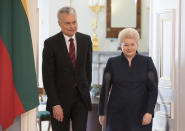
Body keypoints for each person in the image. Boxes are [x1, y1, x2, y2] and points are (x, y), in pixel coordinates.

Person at [42, 7, 92, 131]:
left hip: (81, 99)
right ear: (59, 23)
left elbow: (88, 70)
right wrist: (55, 103)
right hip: (60, 101)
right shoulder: (50, 44)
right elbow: (47, 77)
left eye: (74, 22)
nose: (72, 26)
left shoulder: (86, 40)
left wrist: (86, 88)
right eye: (68, 23)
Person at [98, 28, 158, 131]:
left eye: (132, 44)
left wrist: (149, 112)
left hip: (141, 115)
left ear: (137, 44)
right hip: (116, 115)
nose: (129, 48)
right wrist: (102, 113)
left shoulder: (147, 62)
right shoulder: (112, 63)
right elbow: (105, 89)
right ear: (120, 45)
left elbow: (153, 90)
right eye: (125, 44)